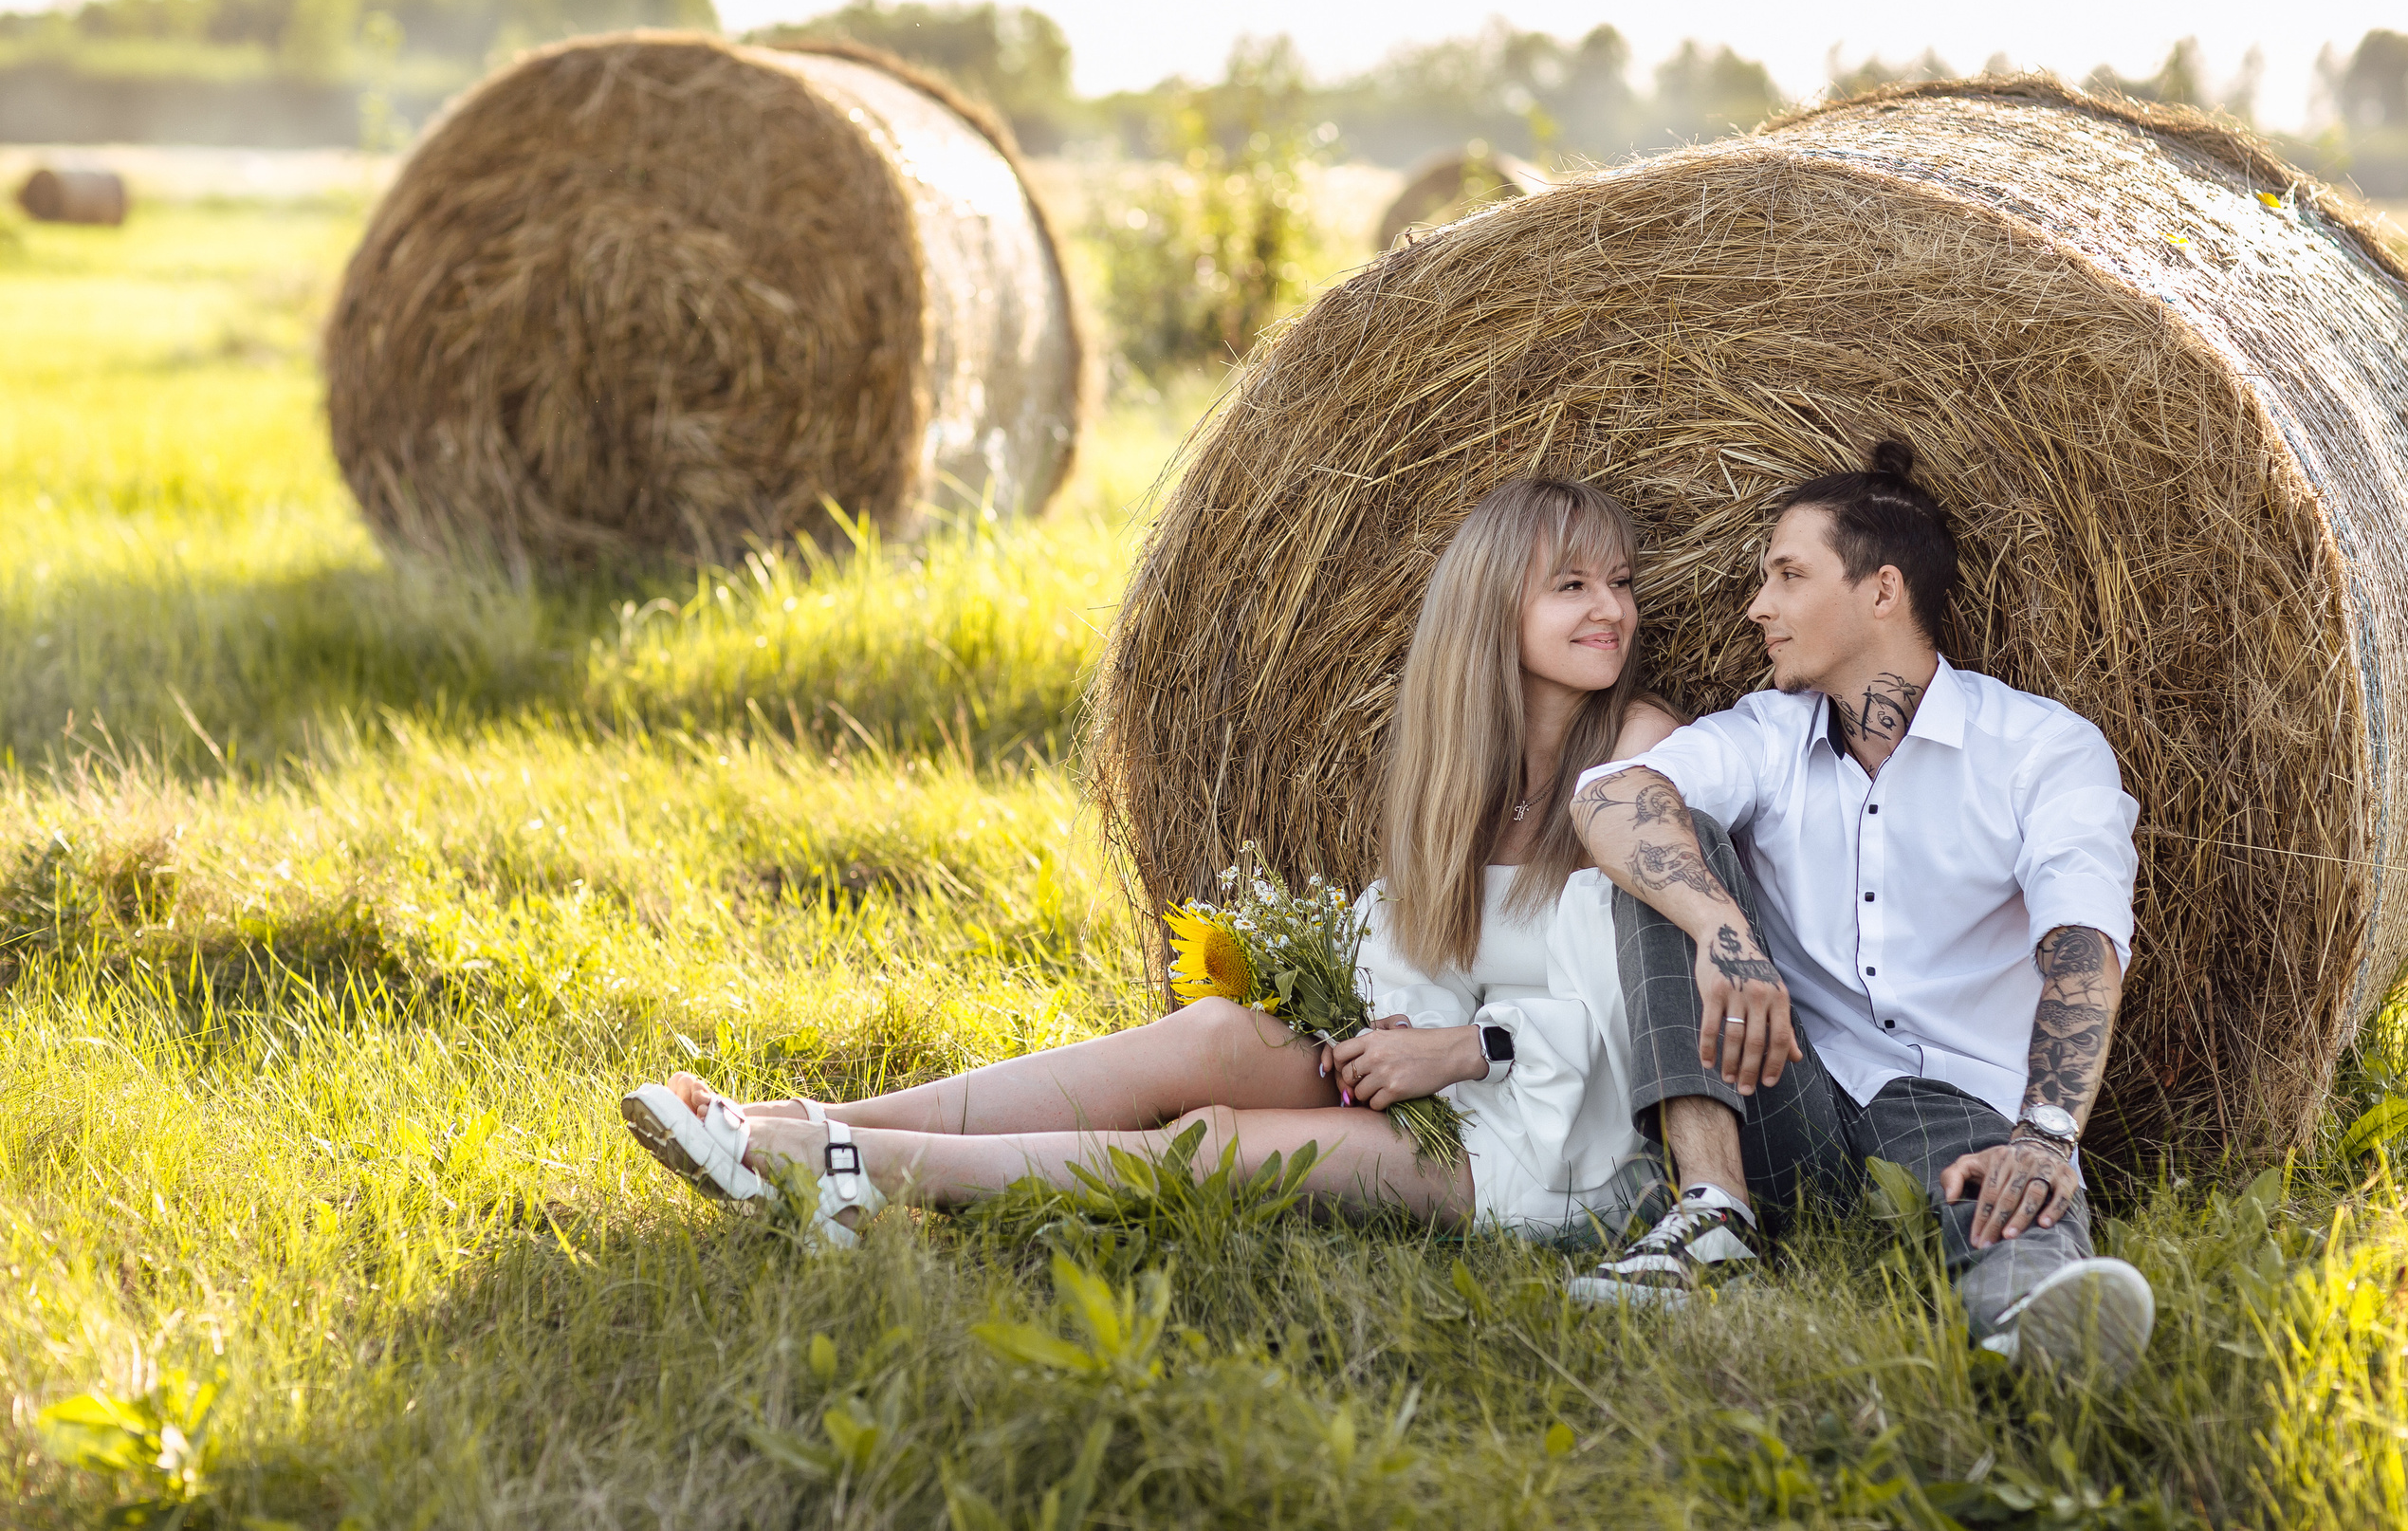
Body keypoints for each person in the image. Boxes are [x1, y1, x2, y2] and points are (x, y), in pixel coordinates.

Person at [618, 478, 1677, 1243]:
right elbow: (1424, 955)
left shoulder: (1641, 748)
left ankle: (857, 1172)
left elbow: (1640, 999)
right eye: (1570, 585)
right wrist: (1397, 1027)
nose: (1610, 610)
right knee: (1215, 1034)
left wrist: (1460, 1050)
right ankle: (794, 1126)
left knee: (1220, 1143)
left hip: (1559, 1144)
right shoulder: (1459, 777)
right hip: (1450, 1080)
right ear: (1493, 606)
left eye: (1618, 583)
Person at [1562, 442, 2156, 1383]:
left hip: (1951, 1099)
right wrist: (1724, 932)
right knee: (1668, 840)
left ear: (1882, 592)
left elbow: (2081, 943)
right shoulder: (1764, 734)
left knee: (1998, 1190)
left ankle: (2037, 1331)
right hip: (1781, 1087)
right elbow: (1606, 798)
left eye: (1788, 576)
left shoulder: (2041, 749)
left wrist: (2043, 1131)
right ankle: (1713, 1213)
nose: (1759, 606)